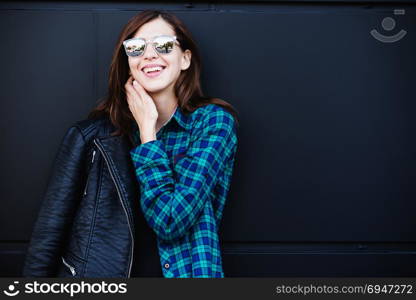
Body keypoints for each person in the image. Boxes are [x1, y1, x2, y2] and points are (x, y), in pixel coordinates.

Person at [22, 9, 239, 278]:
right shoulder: (94, 137)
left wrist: (147, 133)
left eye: (163, 45)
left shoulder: (213, 123)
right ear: (128, 62)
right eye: (136, 48)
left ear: (184, 59)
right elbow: (49, 233)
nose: (149, 55)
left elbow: (171, 220)